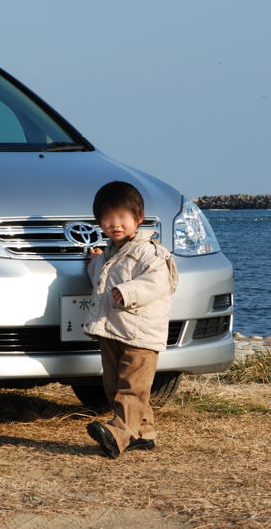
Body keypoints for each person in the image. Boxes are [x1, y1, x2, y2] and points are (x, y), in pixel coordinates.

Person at [82, 180, 178, 458]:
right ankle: (144, 432)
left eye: (123, 217)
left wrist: (126, 292)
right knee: (113, 385)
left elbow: (159, 282)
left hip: (141, 333)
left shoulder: (150, 252)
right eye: (108, 218)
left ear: (138, 219)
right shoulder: (110, 253)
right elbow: (100, 281)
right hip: (113, 330)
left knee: (132, 387)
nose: (116, 224)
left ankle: (118, 433)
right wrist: (94, 262)